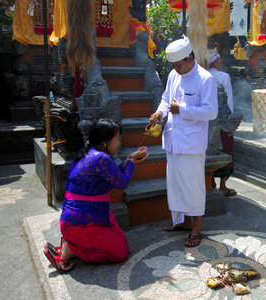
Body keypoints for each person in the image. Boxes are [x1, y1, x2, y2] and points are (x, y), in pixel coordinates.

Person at [43, 118, 149, 273]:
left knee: (120, 241)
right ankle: (69, 250)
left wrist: (128, 160)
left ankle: (71, 242)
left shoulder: (88, 154)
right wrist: (131, 161)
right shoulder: (101, 158)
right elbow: (122, 183)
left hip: (74, 221)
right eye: (116, 139)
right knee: (120, 252)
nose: (118, 143)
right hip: (82, 225)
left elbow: (113, 176)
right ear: (105, 142)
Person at [149, 36, 218, 248]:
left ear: (190, 58)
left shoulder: (205, 79)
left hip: (191, 144)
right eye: (173, 66)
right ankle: (181, 222)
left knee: (193, 187)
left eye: (179, 65)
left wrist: (183, 110)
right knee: (176, 185)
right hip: (173, 139)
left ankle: (196, 227)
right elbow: (165, 98)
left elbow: (211, 112)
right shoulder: (173, 74)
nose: (176, 69)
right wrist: (160, 112)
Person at [208, 49, 237, 197]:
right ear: (214, 62)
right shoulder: (224, 76)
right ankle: (223, 186)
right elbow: (229, 101)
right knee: (226, 150)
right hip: (222, 120)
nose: (221, 62)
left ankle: (211, 183)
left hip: (208, 120)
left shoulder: (203, 75)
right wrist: (231, 123)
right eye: (219, 60)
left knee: (210, 149)